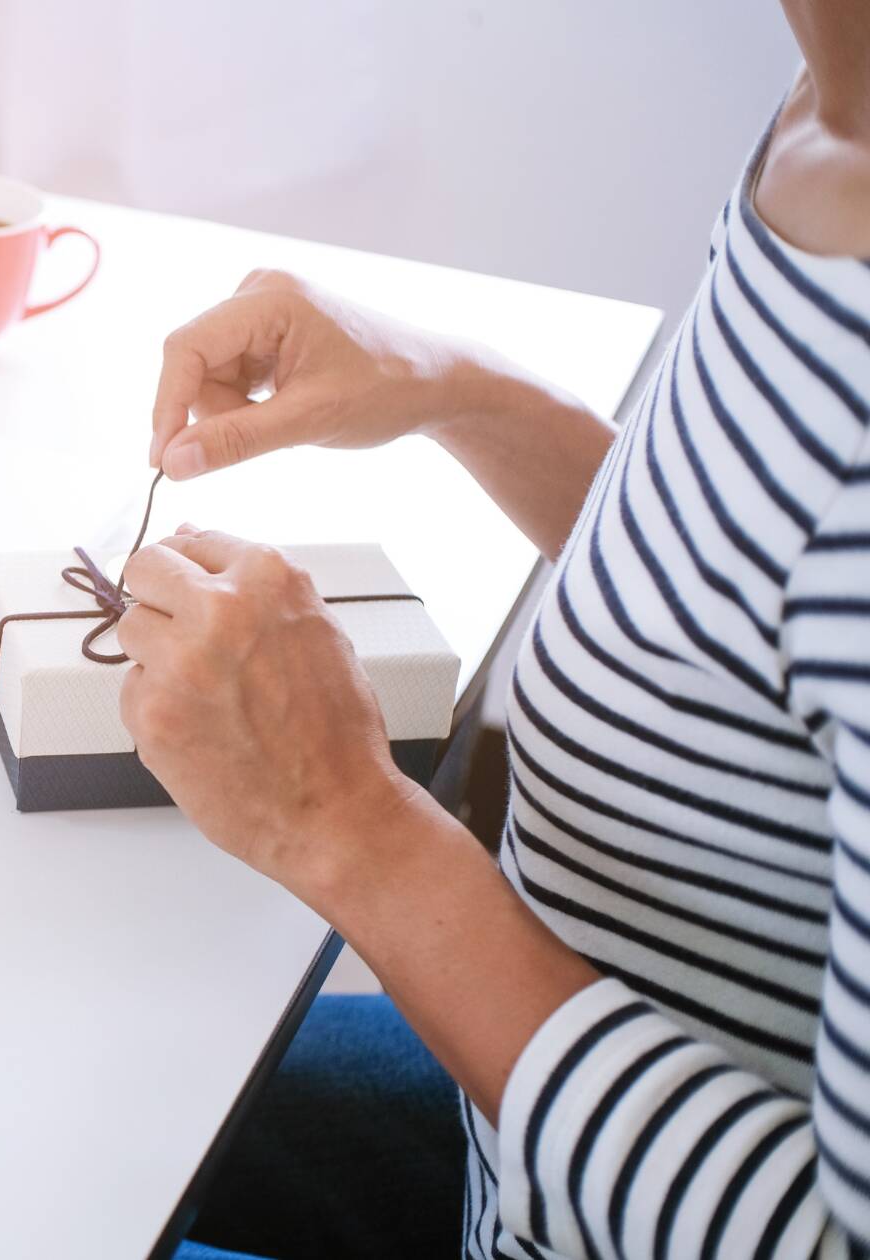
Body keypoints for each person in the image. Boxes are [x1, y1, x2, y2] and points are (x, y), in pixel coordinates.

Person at [132, 4, 870, 1256]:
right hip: (524, 1149)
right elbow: (743, 627)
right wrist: (460, 391)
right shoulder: (828, 100)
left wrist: (346, 826)